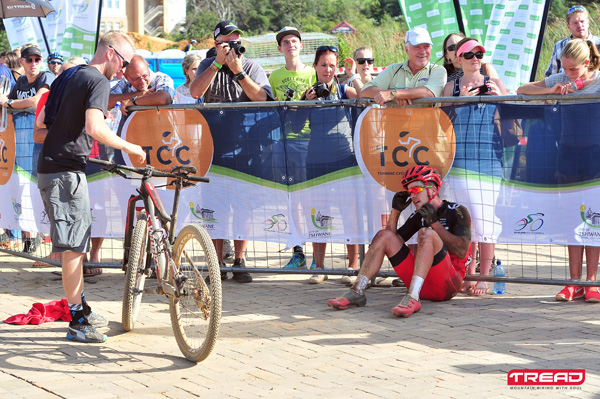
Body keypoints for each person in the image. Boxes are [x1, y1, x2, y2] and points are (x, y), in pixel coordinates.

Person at [36, 30, 146, 343]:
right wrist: (132, 148)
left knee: (77, 244)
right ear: (110, 53)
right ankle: (76, 319)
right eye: (123, 63)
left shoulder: (67, 75)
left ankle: (80, 307)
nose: (123, 72)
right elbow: (95, 127)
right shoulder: (97, 80)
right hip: (65, 172)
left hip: (57, 168)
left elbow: (43, 122)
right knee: (73, 248)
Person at [190, 20, 274, 283]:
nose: (232, 47)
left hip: (246, 147)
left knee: (243, 206)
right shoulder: (207, 64)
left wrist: (239, 72)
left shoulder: (250, 66)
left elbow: (262, 98)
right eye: (227, 42)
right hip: (213, 147)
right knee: (215, 207)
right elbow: (195, 92)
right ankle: (216, 264)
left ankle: (240, 259)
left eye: (236, 41)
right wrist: (217, 63)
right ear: (216, 44)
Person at [517, 38, 600, 303]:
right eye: (564, 68)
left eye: (574, 69)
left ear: (586, 63)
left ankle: (592, 282)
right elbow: (522, 88)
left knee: (594, 218)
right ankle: (572, 281)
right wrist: (551, 90)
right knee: (572, 216)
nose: (569, 74)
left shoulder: (598, 80)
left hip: (595, 154)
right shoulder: (562, 76)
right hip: (567, 152)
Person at [327, 166, 472, 317]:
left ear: (433, 190)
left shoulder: (456, 210)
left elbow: (461, 250)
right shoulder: (418, 215)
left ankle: (412, 297)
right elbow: (390, 241)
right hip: (424, 285)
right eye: (410, 192)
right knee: (383, 235)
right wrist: (395, 212)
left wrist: (434, 223)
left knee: (426, 233)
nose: (412, 195)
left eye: (416, 190)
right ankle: (357, 291)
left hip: (448, 285)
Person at [442, 38, 507, 296]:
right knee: (463, 222)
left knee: (485, 222)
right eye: (468, 54)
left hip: (488, 162)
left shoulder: (494, 84)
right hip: (458, 162)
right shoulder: (451, 87)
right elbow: (441, 122)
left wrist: (501, 99)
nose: (474, 58)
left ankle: (484, 276)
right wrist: (458, 102)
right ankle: (465, 274)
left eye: (479, 53)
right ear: (458, 59)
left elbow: (512, 116)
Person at [297, 45, 359, 283]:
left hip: (345, 159)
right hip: (316, 160)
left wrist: (352, 74)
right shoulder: (309, 93)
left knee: (349, 212)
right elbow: (294, 125)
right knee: (319, 213)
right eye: (323, 64)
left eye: (332, 65)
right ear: (315, 66)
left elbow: (367, 97)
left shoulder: (345, 90)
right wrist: (304, 102)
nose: (327, 69)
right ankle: (319, 266)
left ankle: (352, 267)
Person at [268, 26, 316, 270]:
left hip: (311, 140)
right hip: (285, 141)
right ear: (280, 48)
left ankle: (318, 247)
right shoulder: (275, 77)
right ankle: (299, 251)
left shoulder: (313, 72)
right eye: (286, 42)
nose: (290, 45)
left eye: (294, 41)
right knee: (291, 197)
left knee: (312, 197)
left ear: (301, 45)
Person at [0, 44, 55, 254]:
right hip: (21, 142)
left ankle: (46, 236)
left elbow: (35, 100)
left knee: (41, 188)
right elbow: (8, 103)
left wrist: (11, 103)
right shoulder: (21, 80)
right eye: (29, 60)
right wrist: (10, 103)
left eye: (37, 59)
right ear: (21, 62)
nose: (34, 63)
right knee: (24, 188)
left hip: (41, 141)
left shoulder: (46, 77)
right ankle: (29, 238)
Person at [360, 27, 446, 106]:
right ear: (406, 50)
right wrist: (392, 94)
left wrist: (394, 94)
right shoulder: (394, 69)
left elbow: (430, 92)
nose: (423, 51)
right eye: (417, 47)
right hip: (395, 123)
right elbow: (365, 91)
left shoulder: (438, 70)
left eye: (426, 46)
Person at [545, 5, 600, 77]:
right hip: (565, 86)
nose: (579, 25)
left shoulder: (598, 44)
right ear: (568, 26)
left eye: (582, 21)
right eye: (575, 23)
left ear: (588, 23)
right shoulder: (560, 45)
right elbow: (550, 75)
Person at [109, 54, 175, 111]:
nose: (142, 81)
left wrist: (132, 101)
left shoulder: (161, 78)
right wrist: (139, 94)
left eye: (145, 76)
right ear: (127, 77)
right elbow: (106, 101)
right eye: (137, 78)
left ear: (147, 67)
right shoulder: (125, 83)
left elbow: (164, 98)